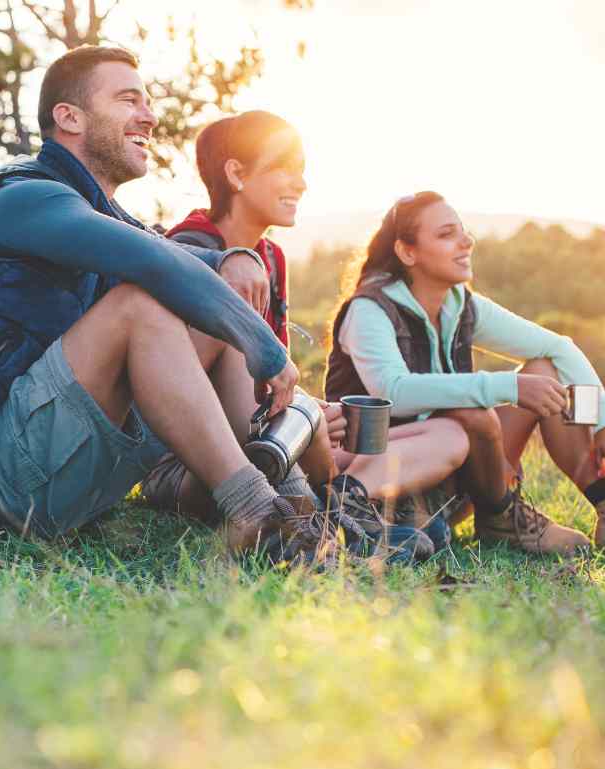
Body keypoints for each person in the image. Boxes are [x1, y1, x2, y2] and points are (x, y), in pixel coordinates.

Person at [0, 45, 335, 560]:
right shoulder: (19, 197)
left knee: (208, 304)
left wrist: (235, 258)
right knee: (142, 305)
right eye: (128, 100)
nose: (148, 115)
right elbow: (153, 260)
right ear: (69, 117)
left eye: (146, 103)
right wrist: (267, 349)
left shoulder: (105, 213)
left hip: (72, 472)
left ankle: (301, 507)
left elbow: (173, 258)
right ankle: (255, 509)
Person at [142, 112, 468, 553]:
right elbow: (183, 381)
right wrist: (302, 412)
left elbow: (270, 378)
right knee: (248, 349)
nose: (301, 184)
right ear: (236, 173)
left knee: (449, 436)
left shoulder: (271, 257)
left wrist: (314, 410)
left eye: (302, 170)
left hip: (270, 437)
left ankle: (347, 505)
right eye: (285, 168)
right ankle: (330, 521)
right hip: (195, 464)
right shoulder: (191, 251)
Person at [325, 190, 605, 554]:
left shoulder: (461, 305)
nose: (466, 242)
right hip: (394, 476)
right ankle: (501, 515)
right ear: (407, 252)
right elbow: (392, 390)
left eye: (463, 231)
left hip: (459, 476)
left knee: (546, 371)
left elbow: (560, 349)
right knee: (471, 411)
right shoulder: (369, 309)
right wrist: (508, 386)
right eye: (446, 235)